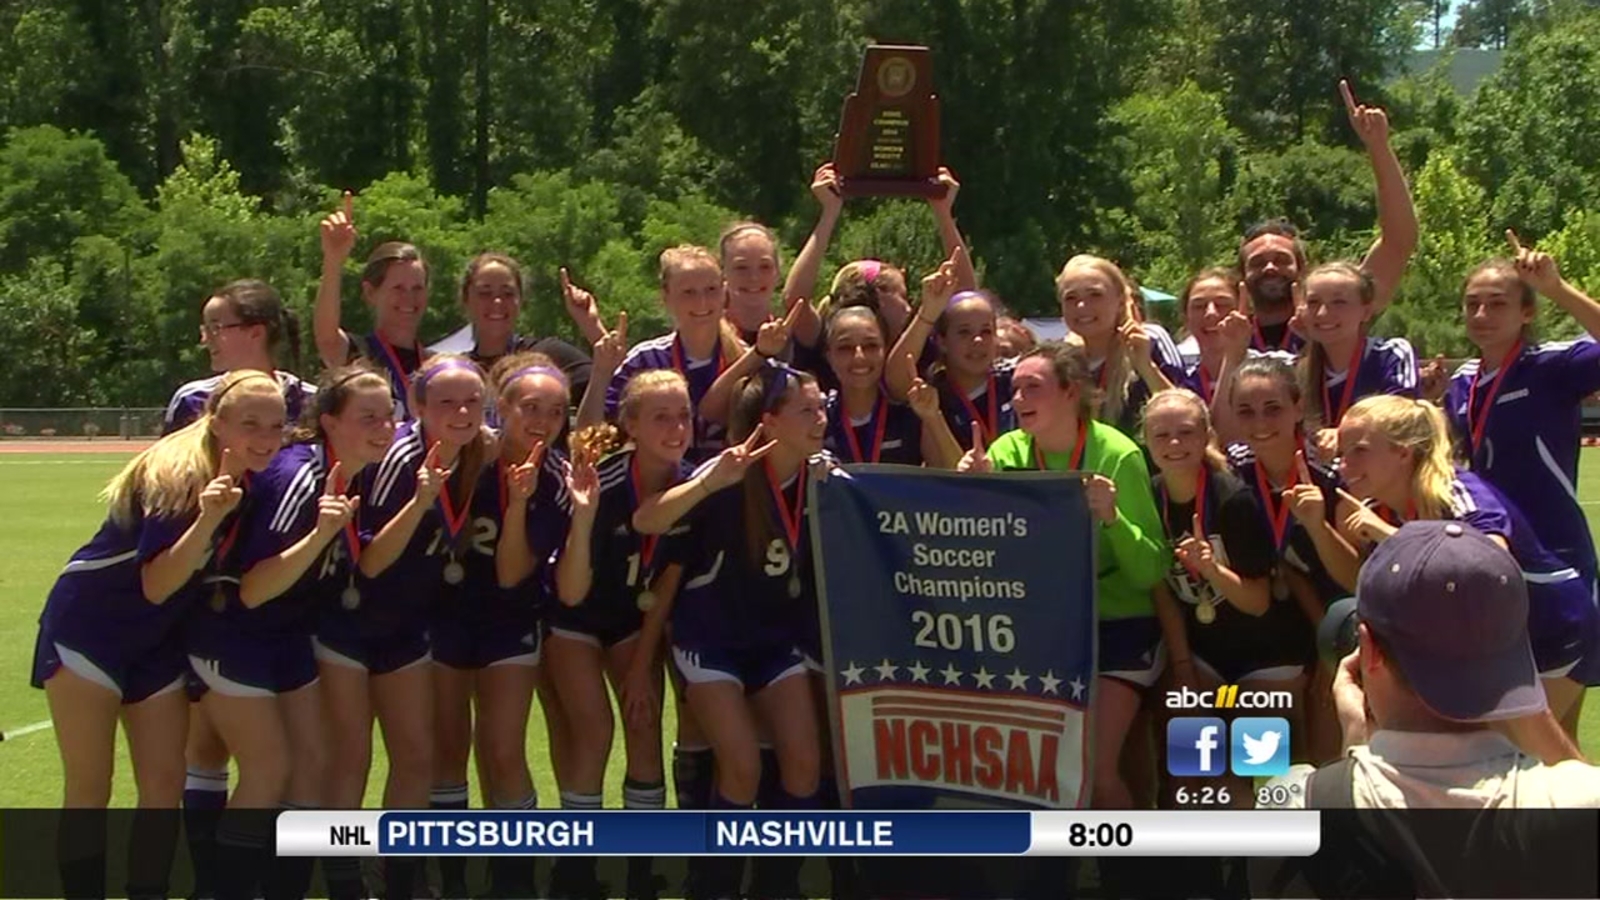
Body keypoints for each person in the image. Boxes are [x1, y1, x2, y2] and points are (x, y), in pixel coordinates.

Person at [31, 371, 285, 900]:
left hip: (157, 643)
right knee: (90, 786)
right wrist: (208, 520)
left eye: (276, 425)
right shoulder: (177, 472)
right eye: (250, 423)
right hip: (90, 631)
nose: (265, 436)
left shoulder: (255, 478)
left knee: (164, 785)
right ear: (216, 422)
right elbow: (156, 583)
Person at [189, 365, 390, 900]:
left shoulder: (356, 473)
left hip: (286, 637)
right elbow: (253, 589)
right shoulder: (299, 475)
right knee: (268, 772)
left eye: (390, 415)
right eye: (368, 417)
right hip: (234, 633)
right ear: (328, 422)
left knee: (312, 769)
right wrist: (322, 535)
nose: (385, 426)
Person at [633, 363, 830, 900]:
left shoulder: (823, 479)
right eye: (807, 410)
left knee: (805, 765)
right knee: (740, 766)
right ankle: (714, 883)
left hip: (773, 641)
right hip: (709, 641)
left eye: (822, 407)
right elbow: (647, 521)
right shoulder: (726, 476)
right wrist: (706, 482)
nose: (820, 419)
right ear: (768, 422)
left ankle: (777, 883)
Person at [957, 338, 1168, 809]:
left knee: (1092, 764)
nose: (1018, 400)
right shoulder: (1007, 451)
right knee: (1042, 759)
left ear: (1071, 392)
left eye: (1033, 388)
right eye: (1014, 389)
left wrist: (1114, 518)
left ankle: (1140, 875)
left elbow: (1151, 569)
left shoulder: (1117, 454)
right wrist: (972, 487)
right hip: (1044, 627)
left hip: (1118, 625)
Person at [1260, 519, 1600, 809]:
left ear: (1367, 650)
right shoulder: (1575, 798)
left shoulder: (1295, 801)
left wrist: (1355, 741)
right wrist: (1528, 706)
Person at [322, 354, 490, 900]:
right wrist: (420, 505)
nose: (462, 411)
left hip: (405, 626)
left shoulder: (474, 452)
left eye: (472, 401)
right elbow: (370, 563)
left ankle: (402, 877)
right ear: (418, 407)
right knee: (351, 756)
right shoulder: (402, 460)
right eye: (446, 402)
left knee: (416, 755)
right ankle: (344, 876)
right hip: (349, 621)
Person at [1334, 395, 1599, 731]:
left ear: (1403, 452)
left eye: (1359, 450)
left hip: (1553, 626)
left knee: (1510, 757)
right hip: (1507, 637)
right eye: (1342, 453)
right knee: (1553, 763)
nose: (1345, 464)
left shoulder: (1455, 491)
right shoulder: (1384, 504)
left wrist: (1391, 537)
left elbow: (1488, 566)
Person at [544, 371, 694, 898]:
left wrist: (639, 668)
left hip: (636, 620)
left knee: (643, 718)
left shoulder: (691, 483)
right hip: (576, 615)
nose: (676, 428)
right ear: (629, 424)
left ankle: (640, 867)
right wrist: (583, 522)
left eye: (683, 416)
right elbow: (568, 591)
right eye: (660, 417)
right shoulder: (599, 483)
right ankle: (575, 866)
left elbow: (670, 578)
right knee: (593, 728)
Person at [427, 354, 571, 898]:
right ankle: (452, 877)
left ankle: (516, 877)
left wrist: (519, 504)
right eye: (529, 407)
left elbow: (512, 572)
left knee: (503, 748)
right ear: (501, 408)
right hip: (443, 615)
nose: (542, 421)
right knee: (447, 748)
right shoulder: (466, 453)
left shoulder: (556, 480)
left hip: (508, 620)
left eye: (555, 412)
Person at [1443, 233, 1600, 716]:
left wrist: (1558, 288)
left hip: (1557, 556)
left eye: (1497, 304)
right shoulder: (1460, 383)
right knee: (1510, 722)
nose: (1482, 315)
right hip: (1493, 556)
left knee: (1551, 726)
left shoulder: (1551, 366)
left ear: (1526, 312)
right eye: (1473, 305)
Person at [1144, 389, 1312, 806]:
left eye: (1185, 433)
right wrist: (1182, 666)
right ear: (1146, 441)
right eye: (1161, 435)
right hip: (1207, 656)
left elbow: (1257, 603)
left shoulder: (1232, 498)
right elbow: (1161, 589)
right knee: (1192, 771)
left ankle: (1266, 865)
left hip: (1267, 656)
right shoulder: (1151, 496)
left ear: (1206, 436)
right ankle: (1206, 866)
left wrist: (1213, 570)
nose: (1174, 444)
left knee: (1256, 772)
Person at [1239, 81, 1417, 356]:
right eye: (1258, 262)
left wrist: (1378, 146)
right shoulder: (1227, 335)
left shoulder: (1338, 315)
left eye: (1282, 259)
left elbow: (1398, 241)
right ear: (1241, 275)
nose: (1271, 268)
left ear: (1303, 268)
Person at [590, 246, 747, 461]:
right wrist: (601, 372)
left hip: (733, 487)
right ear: (666, 297)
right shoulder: (645, 360)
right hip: (658, 488)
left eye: (711, 290)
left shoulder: (748, 359)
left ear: (725, 292)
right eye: (688, 292)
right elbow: (593, 440)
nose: (701, 302)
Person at [312, 194, 429, 419]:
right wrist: (333, 260)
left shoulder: (434, 364)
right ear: (370, 292)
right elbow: (326, 337)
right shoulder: (359, 353)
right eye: (398, 288)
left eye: (417, 288)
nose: (409, 298)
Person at [888, 252, 1017, 451]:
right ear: (942, 342)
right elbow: (895, 380)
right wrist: (928, 312)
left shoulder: (1016, 381)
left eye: (986, 331)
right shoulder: (933, 396)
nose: (977, 340)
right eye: (964, 332)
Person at [1054, 254, 1184, 440]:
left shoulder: (1149, 339)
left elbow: (1187, 412)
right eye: (1071, 298)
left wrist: (1146, 367)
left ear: (1120, 300)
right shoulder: (1063, 361)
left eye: (1095, 295)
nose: (1082, 305)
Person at [1298, 262, 1418, 460]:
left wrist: (1343, 434)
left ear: (1366, 311)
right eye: (1313, 302)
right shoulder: (1298, 370)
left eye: (1338, 302)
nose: (1322, 313)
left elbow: (1403, 417)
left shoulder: (1391, 354)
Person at [817, 304, 962, 468]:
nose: (859, 356)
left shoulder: (910, 413)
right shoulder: (817, 418)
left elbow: (956, 478)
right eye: (845, 348)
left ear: (885, 350)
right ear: (829, 356)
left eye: (870, 346)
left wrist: (934, 417)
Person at [452, 253, 593, 416]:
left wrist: (591, 325)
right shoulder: (459, 372)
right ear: (466, 300)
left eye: (508, 294)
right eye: (485, 293)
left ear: (520, 300)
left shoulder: (549, 355)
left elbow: (614, 387)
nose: (497, 302)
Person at [164, 280, 313, 434]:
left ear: (256, 333)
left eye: (215, 328)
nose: (204, 340)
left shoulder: (312, 402)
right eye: (205, 329)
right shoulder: (192, 400)